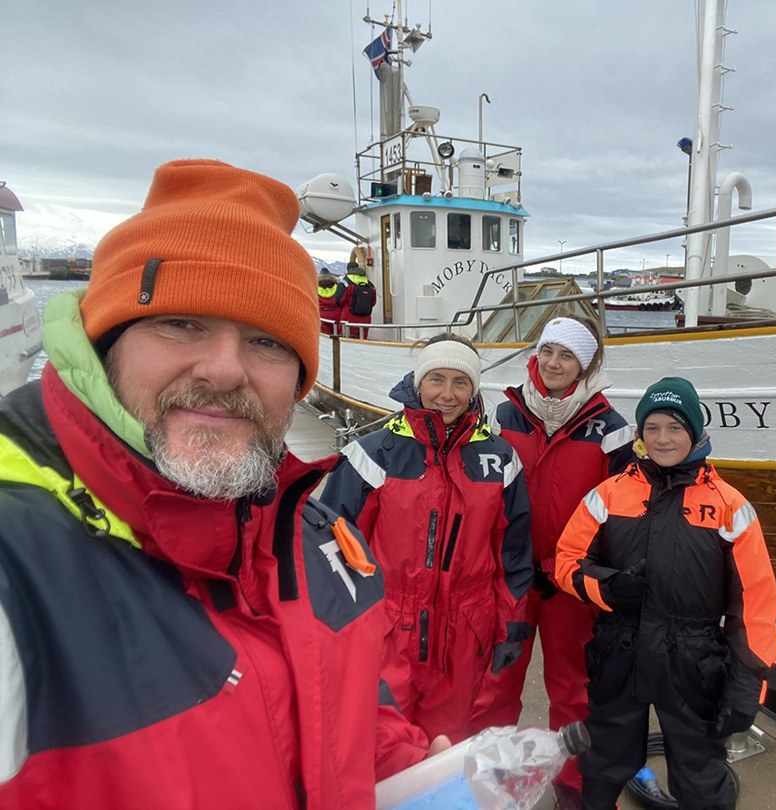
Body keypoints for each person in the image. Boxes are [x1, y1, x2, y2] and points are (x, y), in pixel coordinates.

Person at [0, 159, 445, 809]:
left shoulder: (317, 540)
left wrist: (407, 770)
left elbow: (345, 711)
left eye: (267, 340)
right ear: (107, 345)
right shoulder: (19, 568)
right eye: (182, 323)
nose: (224, 370)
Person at [555, 377, 776, 810]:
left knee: (701, 776)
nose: (662, 439)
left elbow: (755, 605)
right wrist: (609, 587)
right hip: (619, 653)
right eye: (652, 427)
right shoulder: (608, 494)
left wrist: (747, 685)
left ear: (695, 433)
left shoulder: (730, 506)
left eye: (675, 428)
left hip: (694, 663)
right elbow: (566, 562)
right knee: (602, 763)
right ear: (639, 434)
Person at [320, 334, 533, 743]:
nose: (447, 395)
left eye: (460, 382)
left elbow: (513, 554)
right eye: (436, 379)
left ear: (473, 390)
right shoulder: (373, 454)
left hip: (465, 635)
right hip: (386, 627)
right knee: (378, 743)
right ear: (418, 384)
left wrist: (511, 627)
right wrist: (335, 628)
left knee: (447, 744)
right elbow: (332, 547)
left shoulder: (499, 459)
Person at [469, 314, 634, 809]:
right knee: (495, 684)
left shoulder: (611, 430)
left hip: (572, 583)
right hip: (513, 576)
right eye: (549, 351)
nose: (555, 363)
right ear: (536, 354)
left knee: (574, 689)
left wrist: (607, 578)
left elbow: (623, 512)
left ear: (586, 364)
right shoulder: (502, 414)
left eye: (568, 355)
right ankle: (486, 778)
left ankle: (574, 787)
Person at [337, 258, 377, 339]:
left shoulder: (346, 282)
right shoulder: (369, 284)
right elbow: (373, 302)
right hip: (366, 318)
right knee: (362, 340)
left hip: (349, 317)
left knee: (347, 341)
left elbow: (339, 300)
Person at [317, 267, 343, 335]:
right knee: (337, 336)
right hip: (337, 315)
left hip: (322, 315)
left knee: (324, 336)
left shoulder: (315, 287)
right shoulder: (337, 287)